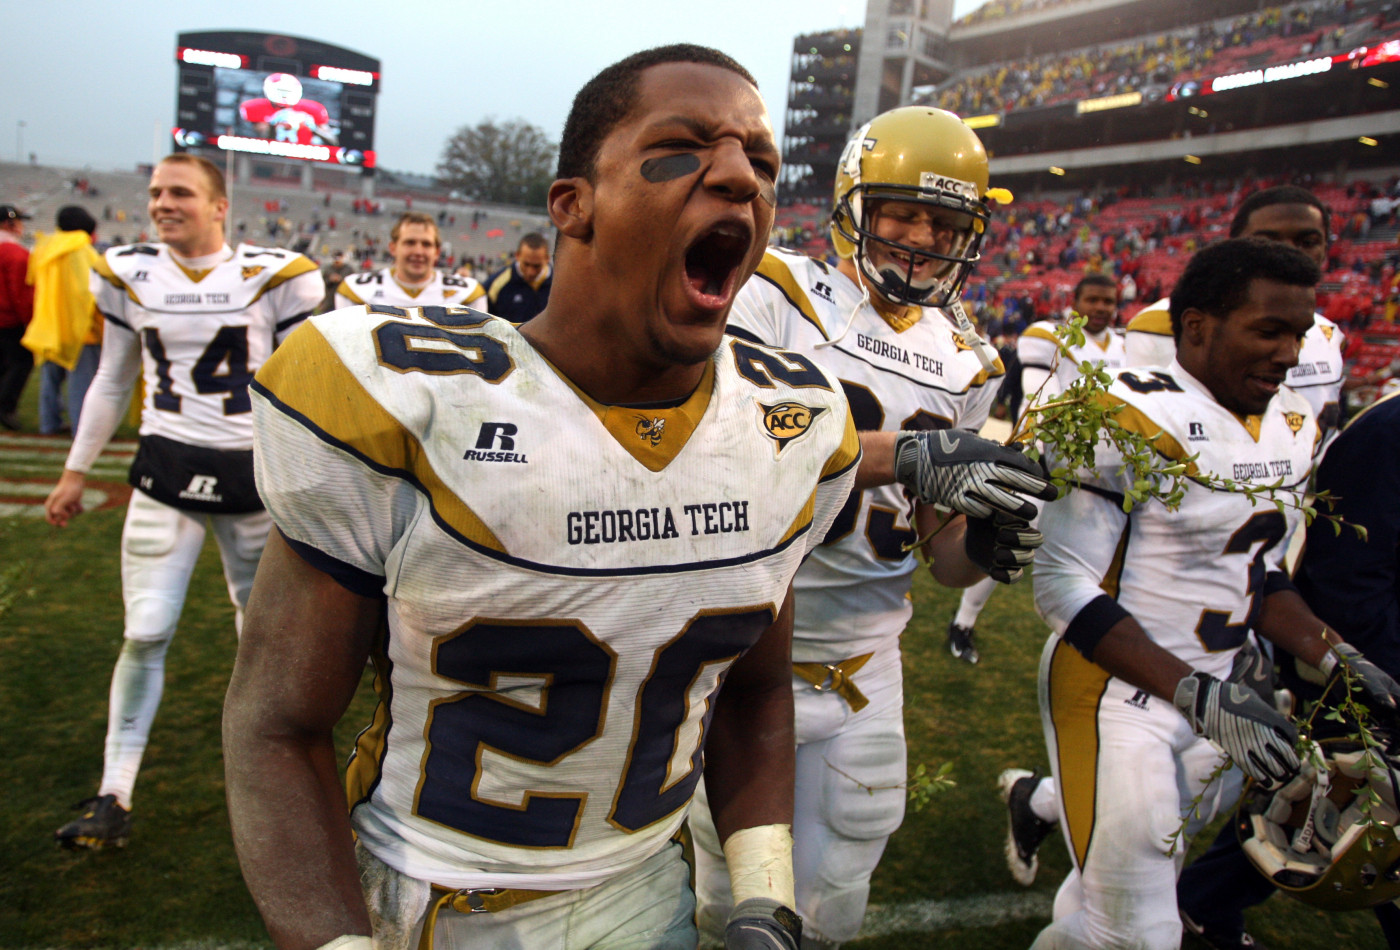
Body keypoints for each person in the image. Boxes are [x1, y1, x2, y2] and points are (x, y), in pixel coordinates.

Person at [223, 46, 1052, 950]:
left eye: (762, 164)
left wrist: (765, 897)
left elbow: (749, 693)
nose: (739, 176)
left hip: (646, 887)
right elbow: (275, 725)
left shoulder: (791, 424)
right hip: (426, 891)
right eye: (683, 146)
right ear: (572, 203)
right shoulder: (403, 394)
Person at [689, 106, 1055, 950]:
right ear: (856, 202)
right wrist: (913, 453)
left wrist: (984, 548)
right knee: (727, 903)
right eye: (905, 212)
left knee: (837, 903)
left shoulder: (971, 355)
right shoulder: (777, 290)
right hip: (745, 643)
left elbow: (939, 554)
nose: (923, 236)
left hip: (866, 664)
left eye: (945, 220)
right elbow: (735, 438)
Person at [1027, 237, 1400, 950]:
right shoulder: (1123, 412)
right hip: (1113, 693)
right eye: (1269, 330)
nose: (1290, 352)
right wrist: (1195, 694)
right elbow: (1061, 585)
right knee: (1142, 930)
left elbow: (1259, 574)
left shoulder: (1292, 423)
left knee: (1111, 903)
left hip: (1222, 696)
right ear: (1196, 326)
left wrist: (1334, 653)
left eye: (1299, 332)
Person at [44, 153, 324, 850]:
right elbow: (112, 380)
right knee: (144, 630)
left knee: (259, 641)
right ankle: (114, 791)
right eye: (155, 193)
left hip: (254, 480)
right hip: (164, 470)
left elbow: (303, 389)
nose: (162, 203)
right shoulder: (126, 273)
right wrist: (76, 471)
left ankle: (274, 786)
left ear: (220, 205)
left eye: (180, 193)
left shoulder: (276, 277)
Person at [1176, 392, 1400, 950]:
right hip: (1366, 674)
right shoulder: (1386, 433)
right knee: (1347, 817)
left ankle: (1200, 906)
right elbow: (1346, 585)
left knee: (1313, 814)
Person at [947, 273, 1124, 665]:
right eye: (1092, 299)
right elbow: (1037, 397)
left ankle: (1086, 641)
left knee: (1091, 565)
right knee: (1006, 548)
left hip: (1099, 475)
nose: (1100, 308)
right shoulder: (1048, 335)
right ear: (1074, 301)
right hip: (1045, 459)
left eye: (1108, 301)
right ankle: (962, 623)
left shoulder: (1127, 345)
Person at [1124, 186, 1346, 438]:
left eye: (1307, 242)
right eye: (1268, 241)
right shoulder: (1160, 323)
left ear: (1326, 248)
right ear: (1234, 244)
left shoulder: (1329, 335)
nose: (1290, 252)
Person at [24, 205, 102, 434]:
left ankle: (49, 424)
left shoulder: (44, 248)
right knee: (81, 384)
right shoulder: (83, 252)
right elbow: (89, 293)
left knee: (50, 382)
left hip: (48, 325)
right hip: (80, 331)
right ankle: (83, 428)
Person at [335, 212, 484, 311]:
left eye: (426, 244)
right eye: (410, 243)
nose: (418, 252)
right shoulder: (357, 290)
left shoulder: (466, 293)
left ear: (437, 252)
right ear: (393, 248)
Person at [0, 203, 35, 430]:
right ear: (10, 225)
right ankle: (6, 408)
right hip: (9, 321)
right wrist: (29, 321)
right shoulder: (15, 253)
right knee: (20, 363)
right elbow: (20, 294)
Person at [485, 232, 551, 323]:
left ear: (547, 258)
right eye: (526, 264)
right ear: (517, 256)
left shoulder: (560, 285)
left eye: (536, 266)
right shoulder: (496, 283)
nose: (530, 272)